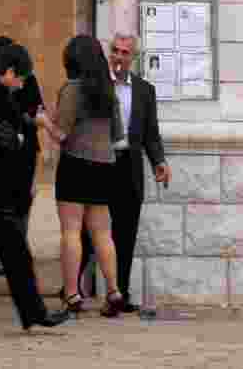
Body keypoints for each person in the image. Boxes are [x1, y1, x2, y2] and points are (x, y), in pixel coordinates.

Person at [0, 42, 68, 334]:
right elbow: (0, 135)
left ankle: (33, 313)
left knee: (13, 255)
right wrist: (16, 142)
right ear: (8, 72)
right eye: (19, 79)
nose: (21, 86)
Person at [78, 32, 170, 311]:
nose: (118, 57)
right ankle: (72, 290)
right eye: (114, 51)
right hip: (101, 161)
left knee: (125, 232)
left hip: (129, 166)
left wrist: (159, 162)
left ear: (134, 57)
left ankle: (119, 295)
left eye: (124, 53)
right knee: (89, 231)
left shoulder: (145, 90)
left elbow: (151, 134)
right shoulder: (97, 85)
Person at [40, 33, 124, 318]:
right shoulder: (109, 90)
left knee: (71, 231)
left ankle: (72, 294)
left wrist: (43, 121)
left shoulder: (72, 89)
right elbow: (118, 135)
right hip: (105, 165)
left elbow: (61, 133)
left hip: (76, 164)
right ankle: (114, 291)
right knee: (103, 233)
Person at [0, 35, 43, 273]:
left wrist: (17, 117)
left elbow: (36, 111)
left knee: (21, 202)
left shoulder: (27, 79)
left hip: (24, 150)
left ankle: (16, 253)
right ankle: (6, 255)